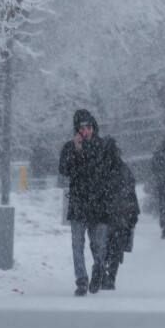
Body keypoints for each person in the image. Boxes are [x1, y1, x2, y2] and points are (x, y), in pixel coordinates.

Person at [58, 109, 122, 296]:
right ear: (76, 130)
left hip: (99, 204)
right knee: (77, 244)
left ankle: (98, 269)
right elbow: (64, 170)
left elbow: (109, 172)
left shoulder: (104, 147)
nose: (85, 131)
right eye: (81, 128)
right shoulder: (70, 148)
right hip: (78, 204)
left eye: (88, 127)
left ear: (93, 127)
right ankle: (81, 279)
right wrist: (76, 152)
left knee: (98, 244)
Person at [102, 138, 140, 291]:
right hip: (121, 216)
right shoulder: (123, 168)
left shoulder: (99, 167)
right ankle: (111, 276)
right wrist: (133, 214)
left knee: (101, 247)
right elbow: (130, 192)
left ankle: (103, 273)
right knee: (115, 249)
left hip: (104, 215)